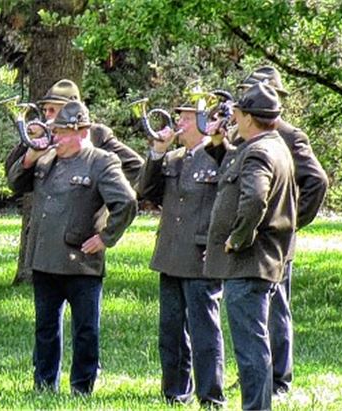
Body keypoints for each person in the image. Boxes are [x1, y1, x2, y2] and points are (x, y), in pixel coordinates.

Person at [8, 101, 138, 395]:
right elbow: (15, 182)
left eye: (62, 133)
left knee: (85, 330)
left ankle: (82, 386)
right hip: (45, 257)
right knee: (45, 328)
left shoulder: (101, 161)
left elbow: (127, 202)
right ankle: (44, 384)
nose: (55, 138)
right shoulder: (46, 159)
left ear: (82, 131)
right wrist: (30, 156)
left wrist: (105, 237)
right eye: (54, 131)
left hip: (81, 260)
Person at [237, 67, 329, 395]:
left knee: (276, 310)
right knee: (251, 315)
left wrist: (290, 222)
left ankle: (278, 378)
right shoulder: (242, 133)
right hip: (248, 238)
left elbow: (316, 181)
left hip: (273, 241)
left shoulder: (289, 135)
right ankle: (256, 374)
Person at [204, 83, 296, 410]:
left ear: (247, 118)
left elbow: (255, 198)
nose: (234, 119)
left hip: (249, 262)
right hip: (261, 261)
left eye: (238, 113)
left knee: (250, 348)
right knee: (254, 343)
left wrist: (238, 238)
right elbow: (235, 168)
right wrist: (219, 143)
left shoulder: (259, 152)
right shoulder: (270, 146)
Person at [4, 79, 143, 285]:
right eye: (45, 110)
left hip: (81, 239)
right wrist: (30, 150)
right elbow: (13, 176)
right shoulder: (44, 134)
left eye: (53, 110)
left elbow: (136, 167)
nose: (47, 116)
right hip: (46, 241)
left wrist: (100, 191)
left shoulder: (96, 134)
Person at [137, 99, 225, 407]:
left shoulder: (219, 156)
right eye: (180, 118)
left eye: (186, 119)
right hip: (171, 253)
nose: (179, 124)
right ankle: (174, 392)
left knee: (204, 331)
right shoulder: (173, 158)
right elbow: (146, 192)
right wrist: (157, 152)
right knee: (170, 331)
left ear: (203, 122)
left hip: (200, 256)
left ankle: (210, 395)